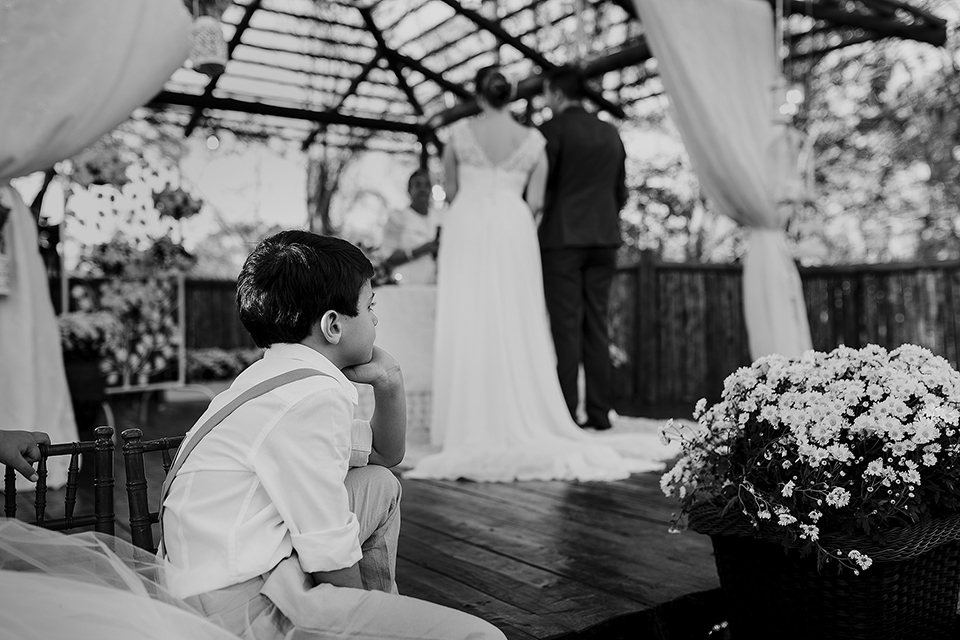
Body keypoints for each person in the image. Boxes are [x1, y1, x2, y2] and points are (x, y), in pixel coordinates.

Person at [160, 231, 504, 640]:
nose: (375, 319)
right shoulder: (311, 398)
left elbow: (384, 453)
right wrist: (362, 621)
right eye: (369, 306)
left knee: (379, 483)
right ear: (333, 325)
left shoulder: (270, 378)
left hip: (228, 574)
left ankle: (378, 610)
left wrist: (389, 381)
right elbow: (327, 549)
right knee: (482, 637)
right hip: (242, 605)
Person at [406, 67, 671, 483]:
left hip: (498, 231)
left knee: (504, 319)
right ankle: (593, 412)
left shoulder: (473, 136)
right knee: (578, 322)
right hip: (568, 233)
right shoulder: (568, 137)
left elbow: (456, 193)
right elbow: (551, 198)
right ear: (511, 94)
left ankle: (514, 412)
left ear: (479, 95)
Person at [539, 65, 629, 431]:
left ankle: (567, 415)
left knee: (566, 327)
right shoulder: (611, 132)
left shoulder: (550, 130)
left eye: (546, 93)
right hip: (604, 239)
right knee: (597, 325)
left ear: (557, 93)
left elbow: (542, 189)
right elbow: (620, 192)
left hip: (562, 239)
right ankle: (599, 412)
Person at [376, 169, 440, 285]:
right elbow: (388, 258)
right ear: (409, 190)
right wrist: (421, 250)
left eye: (426, 185)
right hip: (405, 285)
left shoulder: (440, 218)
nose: (423, 189)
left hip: (434, 285)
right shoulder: (398, 217)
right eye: (418, 185)